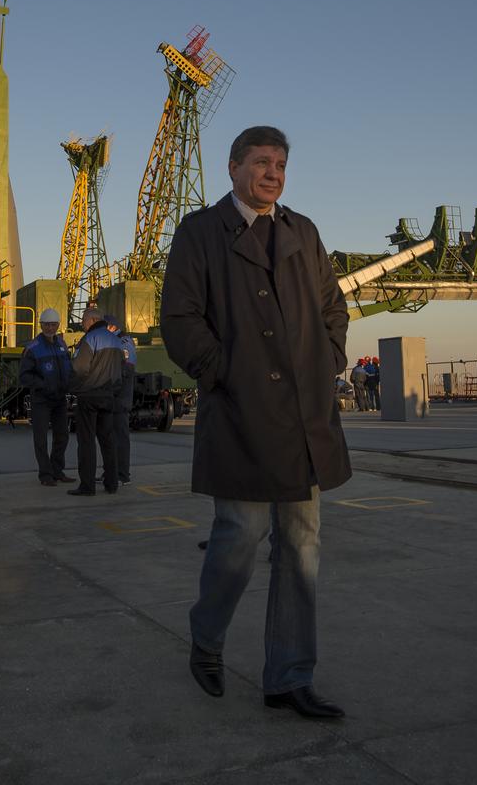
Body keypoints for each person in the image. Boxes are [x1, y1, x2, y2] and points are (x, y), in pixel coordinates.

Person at [161, 125, 351, 719]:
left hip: (303, 416)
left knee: (301, 546)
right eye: (262, 162)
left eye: (281, 164)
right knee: (240, 536)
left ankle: (289, 677)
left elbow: (332, 305)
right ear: (233, 167)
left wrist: (329, 358)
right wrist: (223, 371)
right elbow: (179, 318)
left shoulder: (303, 231)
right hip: (241, 411)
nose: (274, 173)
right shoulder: (199, 231)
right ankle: (207, 636)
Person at [67, 306, 122, 496]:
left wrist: (74, 386)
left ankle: (87, 486)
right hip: (108, 396)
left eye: (83, 320)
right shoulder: (115, 340)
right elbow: (121, 369)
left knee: (86, 441)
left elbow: (80, 368)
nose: (82, 323)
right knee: (108, 440)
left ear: (92, 320)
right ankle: (112, 483)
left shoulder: (90, 338)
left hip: (89, 396)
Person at [19, 307, 74, 486]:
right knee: (41, 439)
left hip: (59, 399)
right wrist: (43, 385)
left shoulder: (62, 345)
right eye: (47, 325)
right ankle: (45, 474)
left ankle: (57, 471)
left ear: (58, 325)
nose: (50, 328)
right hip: (41, 400)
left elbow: (69, 368)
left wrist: (70, 385)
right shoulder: (33, 348)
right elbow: (24, 376)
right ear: (41, 325)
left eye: (53, 325)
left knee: (62, 436)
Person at [105, 315, 136, 484]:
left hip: (119, 400)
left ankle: (122, 474)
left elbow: (125, 371)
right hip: (113, 399)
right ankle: (111, 472)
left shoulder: (123, 343)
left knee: (120, 438)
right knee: (111, 438)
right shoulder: (114, 342)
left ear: (112, 327)